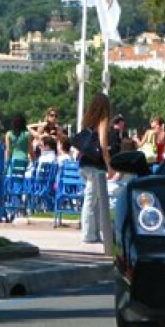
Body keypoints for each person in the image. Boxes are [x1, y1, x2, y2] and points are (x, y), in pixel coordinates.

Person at [76, 92, 115, 252]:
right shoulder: (102, 120)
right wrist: (110, 165)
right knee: (92, 200)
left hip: (84, 163)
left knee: (94, 199)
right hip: (95, 165)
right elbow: (103, 145)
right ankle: (88, 234)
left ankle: (94, 232)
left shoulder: (87, 120)